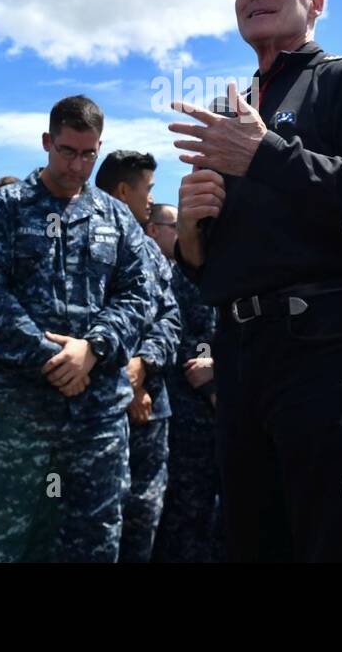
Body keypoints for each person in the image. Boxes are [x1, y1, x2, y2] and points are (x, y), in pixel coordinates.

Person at [169, 0, 342, 562]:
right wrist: (195, 234)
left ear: (316, 2)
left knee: (341, 544)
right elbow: (214, 269)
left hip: (328, 353)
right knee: (256, 545)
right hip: (242, 357)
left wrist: (267, 155)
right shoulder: (234, 115)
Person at [0, 96, 153, 562]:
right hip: (12, 411)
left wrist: (92, 348)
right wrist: (52, 356)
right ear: (47, 143)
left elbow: (138, 295)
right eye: (68, 152)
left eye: (89, 154)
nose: (78, 165)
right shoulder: (4, 209)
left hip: (95, 417)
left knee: (92, 540)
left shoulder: (115, 218)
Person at [95, 151, 182, 563]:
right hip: (99, 407)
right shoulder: (87, 240)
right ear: (124, 190)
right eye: (147, 189)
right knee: (96, 520)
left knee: (143, 514)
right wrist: (123, 381)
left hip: (151, 406)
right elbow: (85, 323)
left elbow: (169, 318)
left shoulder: (150, 252)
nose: (151, 198)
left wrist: (143, 367)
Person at [149, 203, 224, 562]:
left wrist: (219, 367)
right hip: (190, 416)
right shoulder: (177, 277)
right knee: (185, 512)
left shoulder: (239, 276)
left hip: (237, 414)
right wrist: (209, 382)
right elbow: (176, 338)